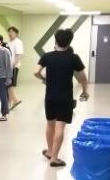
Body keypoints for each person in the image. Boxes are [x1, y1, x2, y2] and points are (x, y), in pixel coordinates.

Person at [35, 28, 90, 167]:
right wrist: (85, 91)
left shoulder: (47, 56)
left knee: (50, 124)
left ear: (56, 41)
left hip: (50, 97)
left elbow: (35, 72)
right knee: (60, 127)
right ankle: (54, 158)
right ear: (69, 42)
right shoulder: (73, 58)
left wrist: (43, 78)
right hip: (65, 98)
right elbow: (83, 78)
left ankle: (49, 151)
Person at [7, 26, 24, 109]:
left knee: (10, 85)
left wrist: (13, 65)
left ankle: (14, 101)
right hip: (7, 67)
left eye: (12, 31)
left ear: (16, 33)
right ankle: (12, 102)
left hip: (13, 67)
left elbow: (19, 55)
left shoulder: (18, 42)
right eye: (9, 31)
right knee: (9, 85)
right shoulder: (8, 43)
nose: (10, 33)